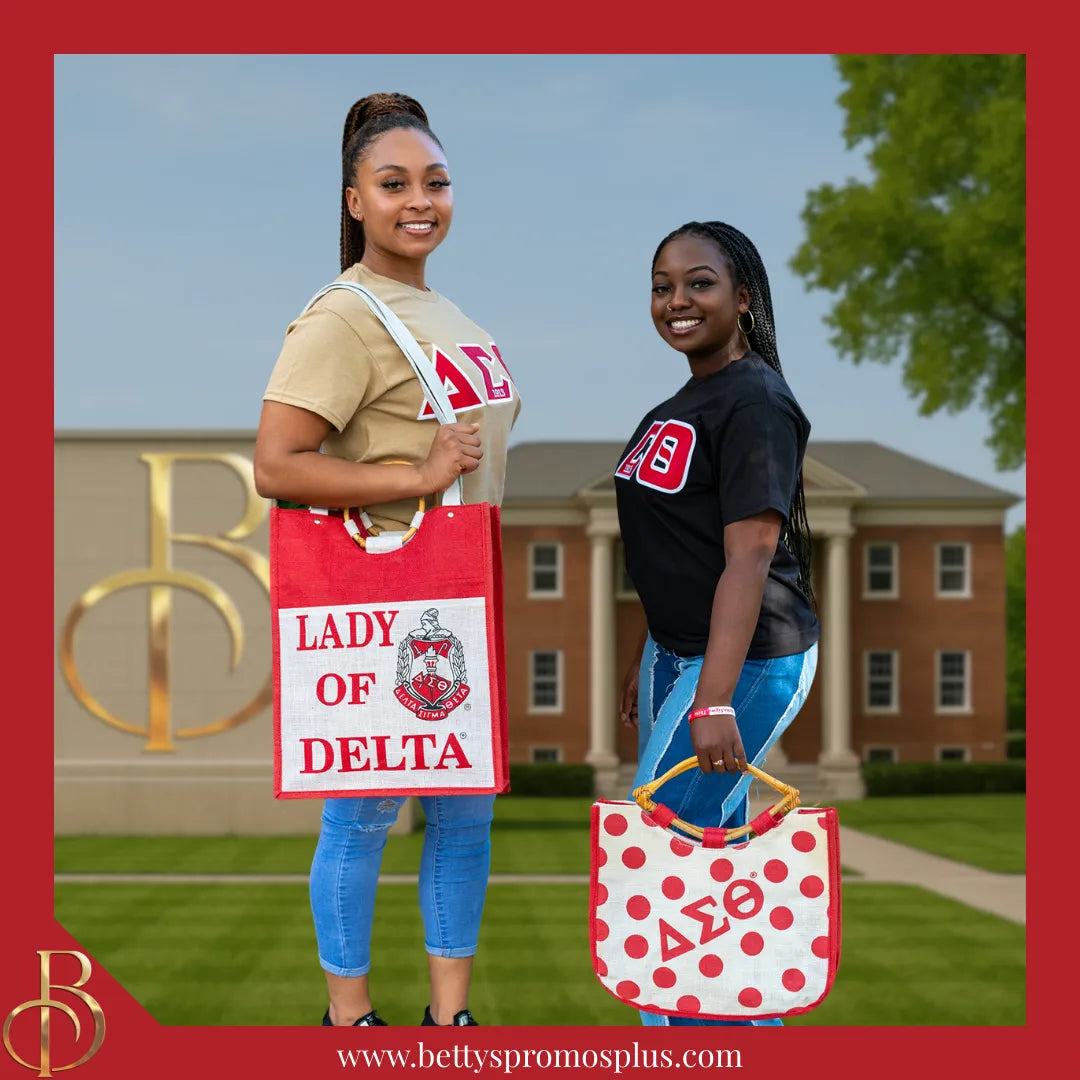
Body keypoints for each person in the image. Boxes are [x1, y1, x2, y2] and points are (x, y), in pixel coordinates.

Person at [253, 92, 521, 1028]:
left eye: (437, 182)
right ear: (355, 198)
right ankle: (348, 1018)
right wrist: (417, 469)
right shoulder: (342, 315)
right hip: (386, 599)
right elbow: (276, 464)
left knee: (464, 819)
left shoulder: (445, 310)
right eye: (395, 182)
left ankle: (448, 1022)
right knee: (363, 814)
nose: (422, 200)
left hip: (461, 589)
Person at [614, 220, 820, 1028]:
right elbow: (674, 545)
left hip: (747, 660)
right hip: (681, 653)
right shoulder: (679, 403)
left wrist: (715, 700)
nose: (677, 300)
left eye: (698, 283)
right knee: (709, 869)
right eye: (662, 286)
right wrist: (648, 651)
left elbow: (750, 557)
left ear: (743, 297)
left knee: (655, 860)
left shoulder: (758, 402)